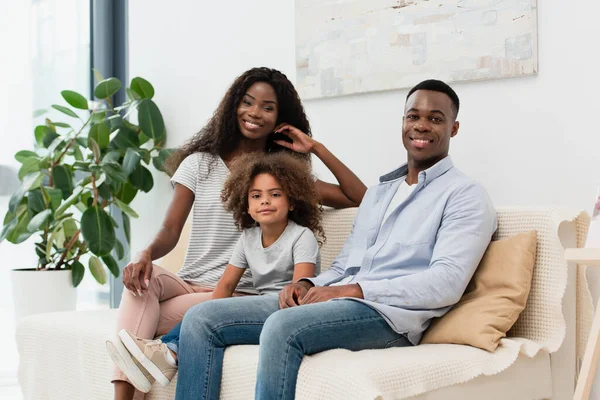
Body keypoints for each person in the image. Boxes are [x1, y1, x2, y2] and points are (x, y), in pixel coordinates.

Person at [172, 79, 498, 400]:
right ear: (402, 123)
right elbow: (345, 265)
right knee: (202, 319)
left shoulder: (464, 195)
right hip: (340, 300)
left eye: (435, 118)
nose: (422, 125)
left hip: (389, 316)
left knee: (282, 325)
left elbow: (447, 283)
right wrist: (307, 285)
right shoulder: (380, 194)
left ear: (454, 129)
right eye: (413, 116)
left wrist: (353, 290)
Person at [106, 67, 367, 400]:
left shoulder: (279, 178)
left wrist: (316, 148)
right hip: (187, 282)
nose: (255, 112)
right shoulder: (200, 163)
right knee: (139, 283)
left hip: (233, 294)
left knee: (142, 316)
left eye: (267, 107)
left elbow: (360, 198)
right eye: (247, 102)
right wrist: (144, 254)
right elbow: (170, 230)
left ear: (280, 118)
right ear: (233, 105)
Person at [109, 152, 324, 388]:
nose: (265, 201)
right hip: (259, 304)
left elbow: (299, 289)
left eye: (275, 194)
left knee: (201, 316)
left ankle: (168, 351)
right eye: (256, 196)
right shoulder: (248, 238)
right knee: (199, 313)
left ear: (291, 202)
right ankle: (164, 352)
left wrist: (211, 313)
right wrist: (213, 309)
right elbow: (225, 285)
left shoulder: (302, 237)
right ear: (247, 207)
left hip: (284, 307)